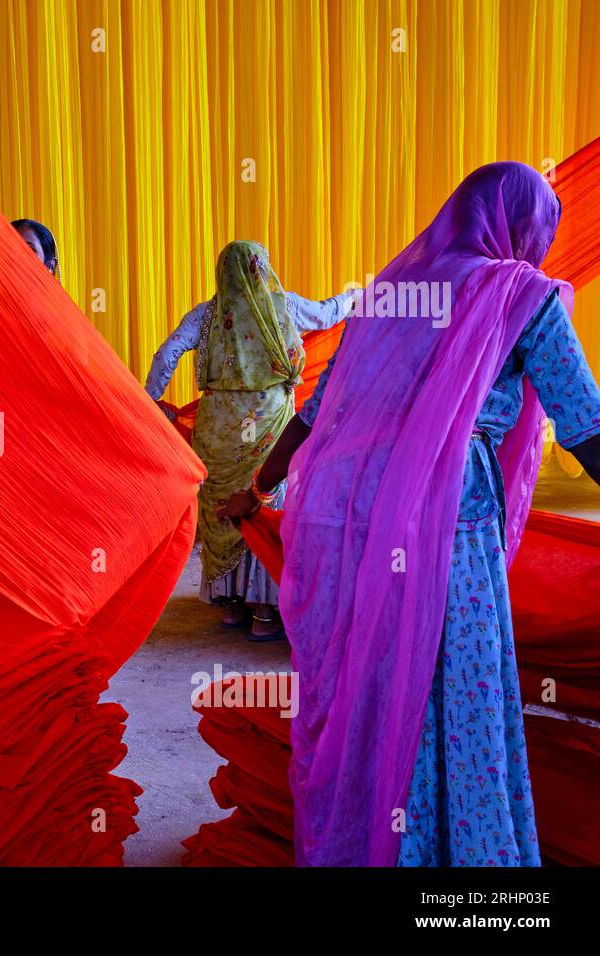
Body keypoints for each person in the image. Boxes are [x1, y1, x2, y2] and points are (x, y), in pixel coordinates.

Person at [222, 162, 600, 866]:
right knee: (459, 679)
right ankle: (460, 862)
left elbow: (317, 413)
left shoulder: (394, 298)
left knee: (382, 674)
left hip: (358, 509)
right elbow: (585, 427)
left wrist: (260, 487)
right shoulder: (524, 296)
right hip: (447, 511)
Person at [146, 241, 353, 640]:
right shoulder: (283, 307)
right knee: (263, 503)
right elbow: (328, 313)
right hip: (267, 426)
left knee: (222, 507)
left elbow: (167, 353)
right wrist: (355, 298)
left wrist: (150, 398)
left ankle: (230, 607)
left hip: (217, 428)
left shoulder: (206, 315)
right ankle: (263, 610)